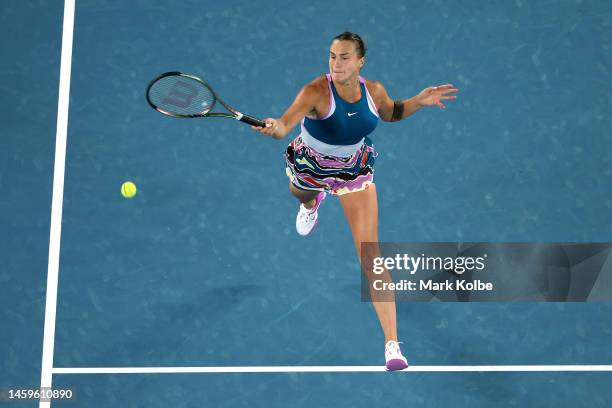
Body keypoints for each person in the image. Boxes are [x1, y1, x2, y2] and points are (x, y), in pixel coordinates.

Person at [252, 32, 458, 371]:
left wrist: (419, 101)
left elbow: (391, 113)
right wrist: (274, 127)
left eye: (345, 57)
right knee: (299, 192)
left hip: (353, 169)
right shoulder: (316, 91)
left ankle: (392, 345)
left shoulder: (373, 91)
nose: (336, 63)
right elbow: (285, 124)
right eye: (332, 56)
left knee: (370, 254)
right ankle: (310, 203)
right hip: (312, 164)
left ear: (360, 61)